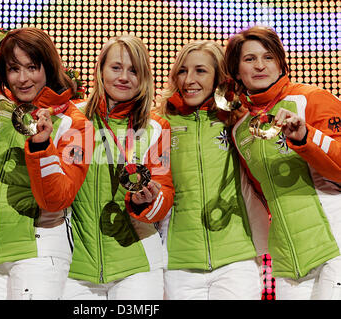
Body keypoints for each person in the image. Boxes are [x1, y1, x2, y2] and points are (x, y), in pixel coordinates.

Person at [0, 27, 92, 300]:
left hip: (39, 253)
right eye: (14, 69)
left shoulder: (74, 124)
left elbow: (57, 198)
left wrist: (41, 146)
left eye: (32, 67)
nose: (23, 79)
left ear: (48, 68)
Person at [225, 25, 341, 299]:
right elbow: (261, 195)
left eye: (268, 57)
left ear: (280, 61)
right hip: (289, 259)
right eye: (249, 59)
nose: (260, 66)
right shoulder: (241, 130)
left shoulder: (312, 99)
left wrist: (305, 137)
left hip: (335, 246)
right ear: (237, 70)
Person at [62, 34, 174, 300]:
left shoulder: (157, 127)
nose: (124, 77)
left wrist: (151, 199)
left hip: (138, 265)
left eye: (134, 70)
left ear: (144, 77)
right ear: (100, 71)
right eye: (116, 68)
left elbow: (165, 193)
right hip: (74, 266)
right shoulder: (71, 120)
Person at [156, 40, 268, 300]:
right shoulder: (160, 123)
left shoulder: (238, 121)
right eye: (182, 71)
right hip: (179, 263)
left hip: (237, 258)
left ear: (219, 76)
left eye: (200, 71)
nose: (189, 80)